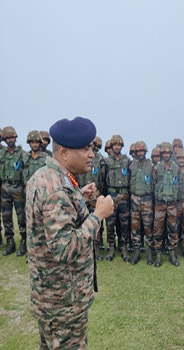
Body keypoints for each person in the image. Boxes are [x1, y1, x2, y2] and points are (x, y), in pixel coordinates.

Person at [26, 116, 114, 349]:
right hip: (64, 303)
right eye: (85, 148)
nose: (91, 154)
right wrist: (99, 215)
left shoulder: (44, 177)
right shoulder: (58, 190)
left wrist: (78, 197)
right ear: (64, 152)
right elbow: (65, 248)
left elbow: (49, 218)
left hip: (50, 297)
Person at [0, 126, 27, 256]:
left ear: (15, 138)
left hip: (18, 187)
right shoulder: (1, 154)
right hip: (5, 187)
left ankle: (24, 242)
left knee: (21, 216)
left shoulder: (22, 154)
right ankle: (10, 242)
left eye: (12, 137)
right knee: (6, 216)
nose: (10, 140)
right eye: (8, 138)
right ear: (4, 139)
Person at [104, 135, 131, 261]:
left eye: (119, 145)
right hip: (111, 196)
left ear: (121, 146)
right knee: (110, 223)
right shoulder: (107, 161)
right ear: (111, 146)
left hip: (124, 197)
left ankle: (124, 247)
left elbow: (132, 179)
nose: (117, 147)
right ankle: (111, 247)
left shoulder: (127, 161)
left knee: (124, 223)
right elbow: (103, 179)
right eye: (115, 145)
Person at [152, 142, 180, 266]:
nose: (166, 155)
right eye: (164, 153)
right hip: (160, 203)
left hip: (172, 203)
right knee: (158, 229)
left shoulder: (176, 167)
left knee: (173, 229)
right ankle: (158, 254)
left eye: (168, 153)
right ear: (162, 154)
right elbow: (153, 183)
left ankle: (172, 254)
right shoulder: (157, 168)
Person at [129, 140, 154, 265]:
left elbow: (155, 183)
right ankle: (137, 251)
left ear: (145, 151)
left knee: (148, 226)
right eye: (138, 151)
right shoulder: (131, 165)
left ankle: (150, 251)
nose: (140, 153)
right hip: (134, 199)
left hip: (147, 199)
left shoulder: (151, 166)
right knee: (135, 226)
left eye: (142, 151)